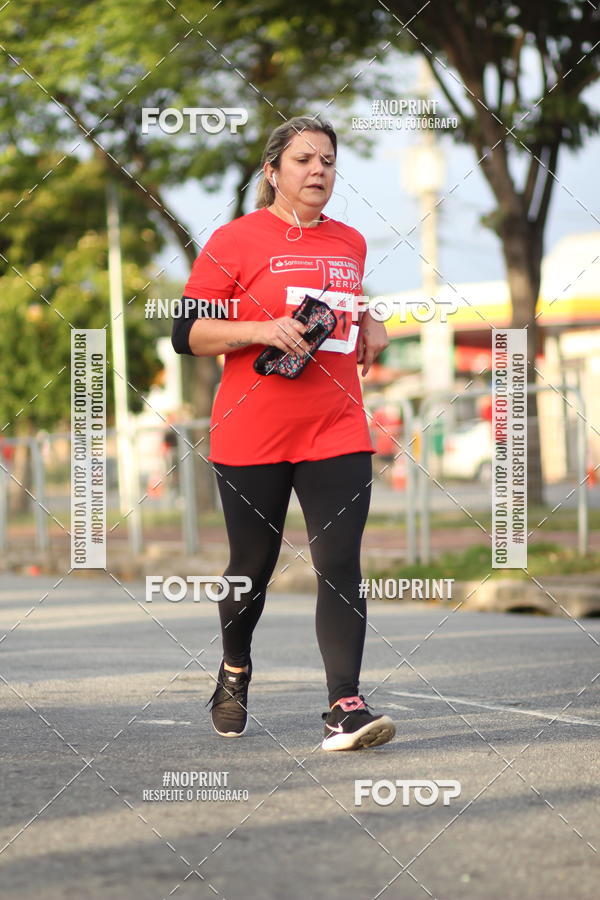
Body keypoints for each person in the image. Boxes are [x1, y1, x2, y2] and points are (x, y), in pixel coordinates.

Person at [171, 115, 395, 751]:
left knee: (340, 566)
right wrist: (261, 330)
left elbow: (340, 303)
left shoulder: (350, 241)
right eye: (303, 160)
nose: (319, 169)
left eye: (327, 159)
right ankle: (235, 668)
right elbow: (186, 333)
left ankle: (343, 708)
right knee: (251, 568)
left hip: (337, 426)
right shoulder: (234, 241)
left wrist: (374, 318)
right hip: (253, 432)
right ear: (272, 173)